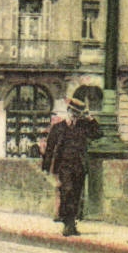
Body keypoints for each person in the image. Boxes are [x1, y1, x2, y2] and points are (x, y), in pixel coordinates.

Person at [42, 86, 102, 236]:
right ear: (68, 112)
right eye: (73, 113)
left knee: (76, 195)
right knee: (67, 191)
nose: (75, 117)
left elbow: (98, 134)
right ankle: (67, 223)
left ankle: (71, 224)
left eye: (78, 114)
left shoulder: (83, 127)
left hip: (79, 166)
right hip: (64, 167)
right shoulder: (58, 128)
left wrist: (90, 118)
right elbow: (50, 148)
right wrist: (46, 167)